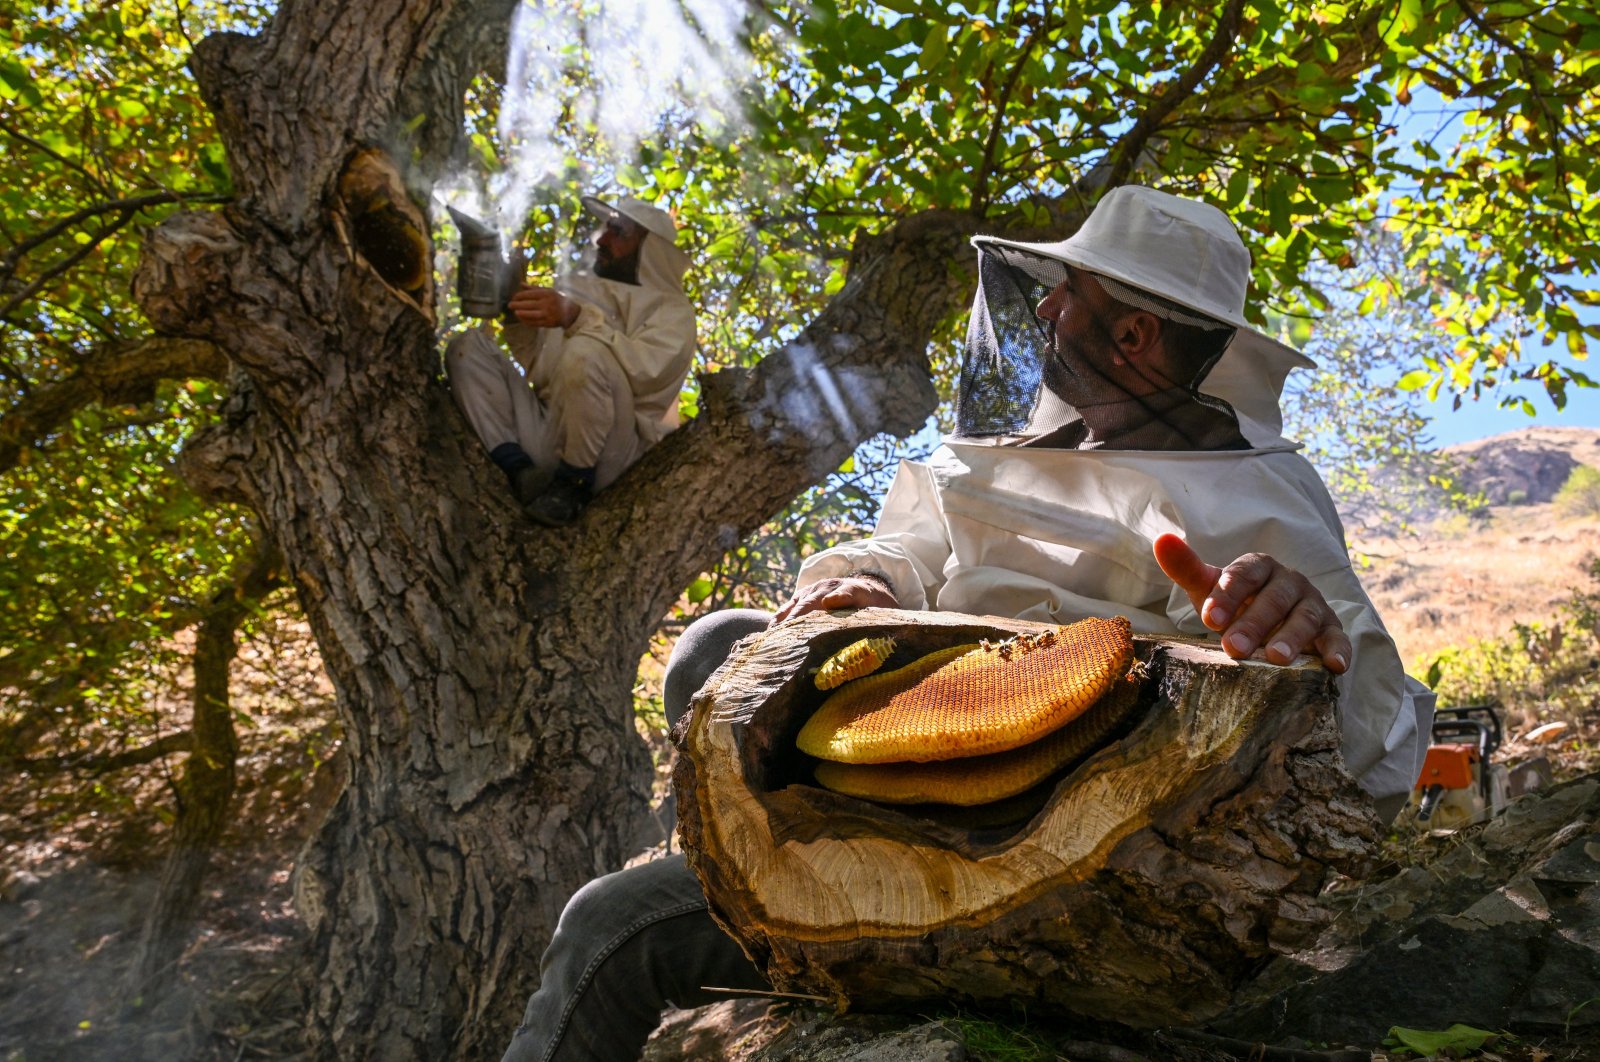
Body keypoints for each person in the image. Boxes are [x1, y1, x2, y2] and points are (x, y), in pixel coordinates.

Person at [499, 186, 1431, 1061]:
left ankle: (792, 923)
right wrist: (861, 582)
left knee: (603, 923)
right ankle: (756, 880)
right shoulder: (1013, 449)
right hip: (896, 735)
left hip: (1026, 854)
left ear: (1137, 332)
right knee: (711, 651)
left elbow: (1381, 740)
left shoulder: (1258, 498)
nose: (1047, 313)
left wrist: (1303, 640)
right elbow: (910, 545)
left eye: (1069, 296)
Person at [446, 194, 696, 526]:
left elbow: (647, 371)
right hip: (549, 431)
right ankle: (519, 469)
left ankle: (572, 486)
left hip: (611, 454)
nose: (602, 239)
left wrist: (575, 318)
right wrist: (513, 309)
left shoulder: (673, 310)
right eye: (606, 229)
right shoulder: (584, 291)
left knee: (586, 351)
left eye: (618, 232)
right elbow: (540, 365)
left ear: (650, 250)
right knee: (467, 347)